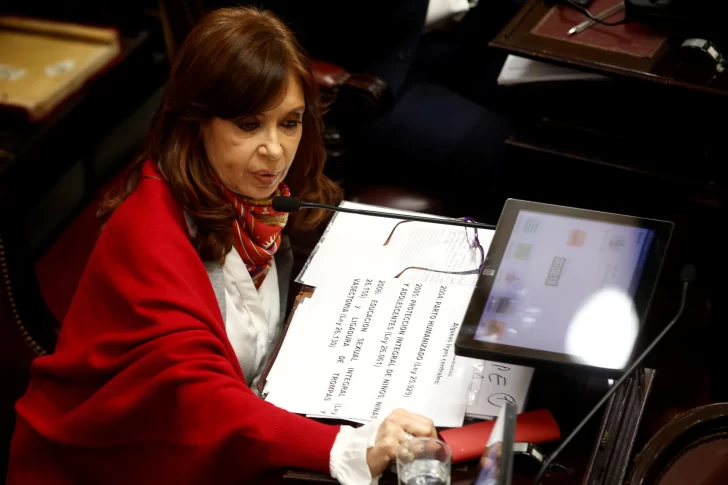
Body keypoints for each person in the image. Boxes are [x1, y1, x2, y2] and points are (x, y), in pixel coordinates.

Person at [7, 7, 436, 484]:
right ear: (196, 122)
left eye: (290, 122)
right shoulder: (149, 232)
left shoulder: (259, 204)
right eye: (249, 125)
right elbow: (203, 399)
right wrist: (346, 447)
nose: (275, 149)